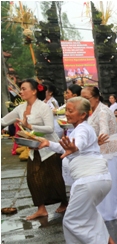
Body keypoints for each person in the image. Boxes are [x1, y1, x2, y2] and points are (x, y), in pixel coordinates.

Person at [36, 97, 115, 244]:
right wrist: (49, 144)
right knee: (90, 212)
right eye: (66, 110)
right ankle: (106, 240)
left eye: (71, 111)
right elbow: (69, 146)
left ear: (83, 114)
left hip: (89, 180)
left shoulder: (82, 130)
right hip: (99, 179)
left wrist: (74, 147)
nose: (67, 114)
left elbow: (77, 143)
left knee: (71, 219)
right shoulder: (80, 129)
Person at [1, 79, 68, 220]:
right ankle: (41, 209)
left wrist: (30, 127)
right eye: (21, 89)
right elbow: (4, 121)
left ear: (34, 91)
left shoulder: (43, 107)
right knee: (33, 178)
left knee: (55, 178)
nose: (21, 91)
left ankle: (65, 203)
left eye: (24, 88)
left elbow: (50, 128)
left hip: (49, 147)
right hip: (33, 147)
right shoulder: (20, 108)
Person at [82, 86, 117, 222]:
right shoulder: (91, 111)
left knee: (111, 185)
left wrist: (96, 140)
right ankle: (102, 214)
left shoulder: (103, 111)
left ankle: (112, 215)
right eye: (81, 98)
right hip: (99, 152)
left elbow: (104, 130)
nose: (84, 101)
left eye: (87, 98)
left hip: (110, 151)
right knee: (100, 184)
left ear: (96, 98)